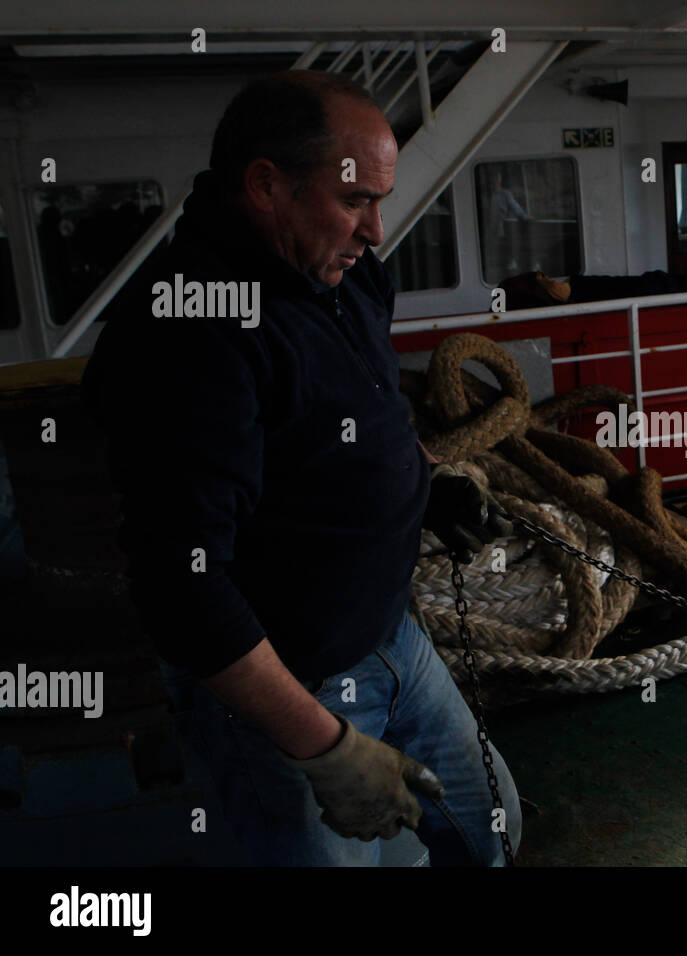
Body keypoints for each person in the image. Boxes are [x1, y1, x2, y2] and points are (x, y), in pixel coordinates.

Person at [81, 70, 521, 866]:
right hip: (292, 692)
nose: (376, 230)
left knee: (486, 831)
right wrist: (326, 749)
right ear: (266, 186)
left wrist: (422, 485)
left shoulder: (339, 275)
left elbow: (354, 415)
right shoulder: (188, 334)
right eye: (355, 201)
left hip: (394, 642)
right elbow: (183, 584)